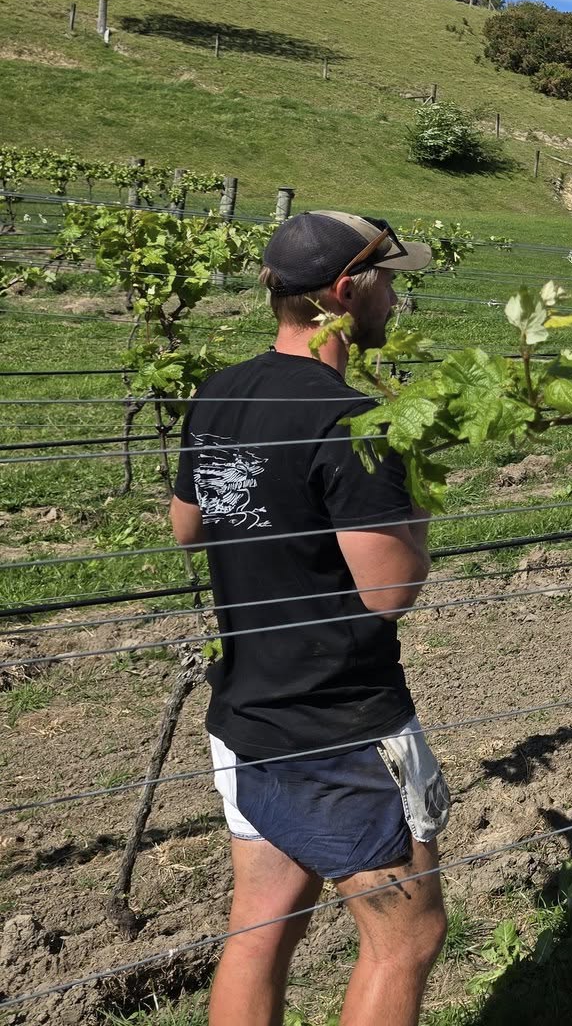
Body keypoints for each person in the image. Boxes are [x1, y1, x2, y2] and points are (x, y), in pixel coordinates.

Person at [172, 211, 449, 1026]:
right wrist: (416, 483)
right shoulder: (349, 418)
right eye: (389, 281)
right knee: (409, 936)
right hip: (336, 723)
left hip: (247, 709)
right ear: (343, 291)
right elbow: (390, 590)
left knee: (260, 928)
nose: (395, 298)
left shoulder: (221, 391)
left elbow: (189, 528)